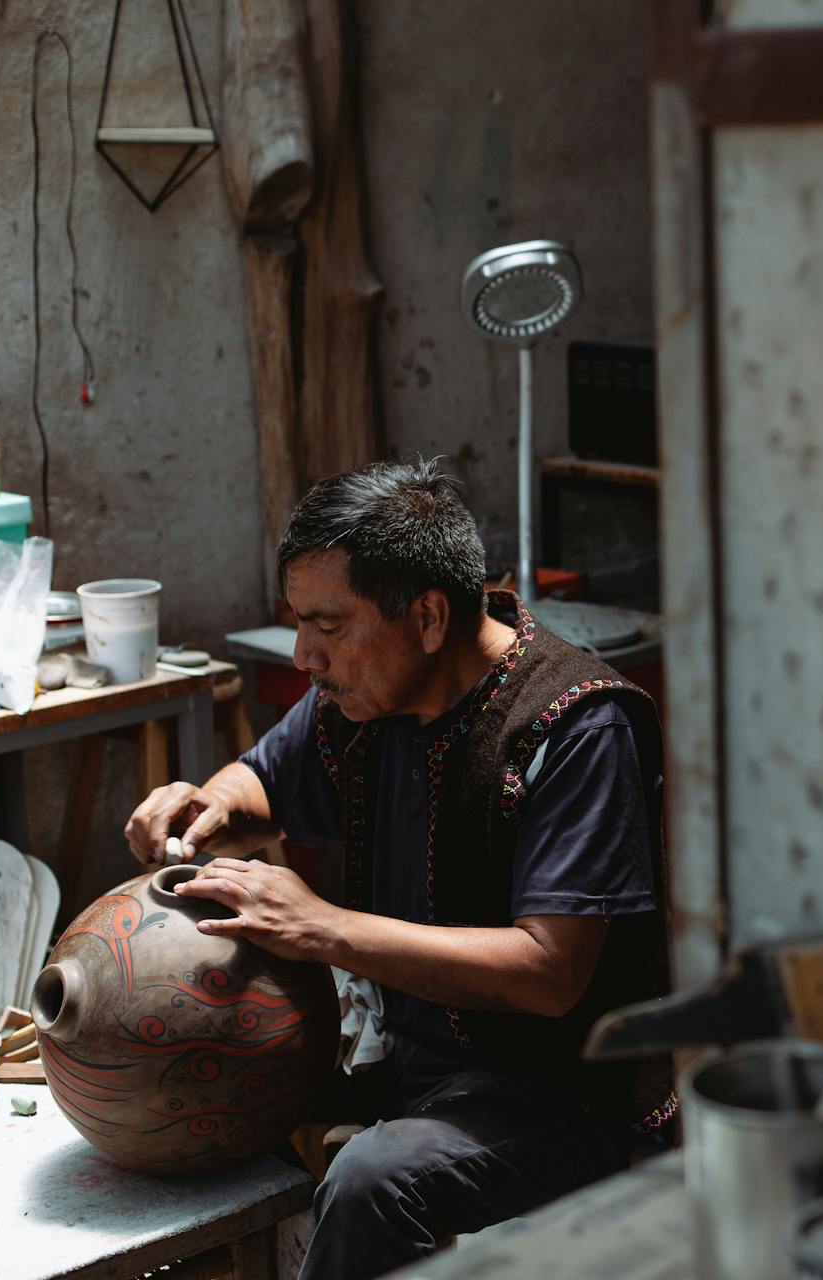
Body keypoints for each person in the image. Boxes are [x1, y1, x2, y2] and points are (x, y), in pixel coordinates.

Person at [125, 459, 669, 1280]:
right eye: (299, 625)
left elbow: (552, 973)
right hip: (413, 1062)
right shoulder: (364, 696)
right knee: (194, 1082)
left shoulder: (578, 727)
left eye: (328, 626)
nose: (306, 655)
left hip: (563, 1090)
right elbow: (265, 781)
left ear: (426, 616)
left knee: (373, 1184)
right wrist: (209, 806)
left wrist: (327, 930)